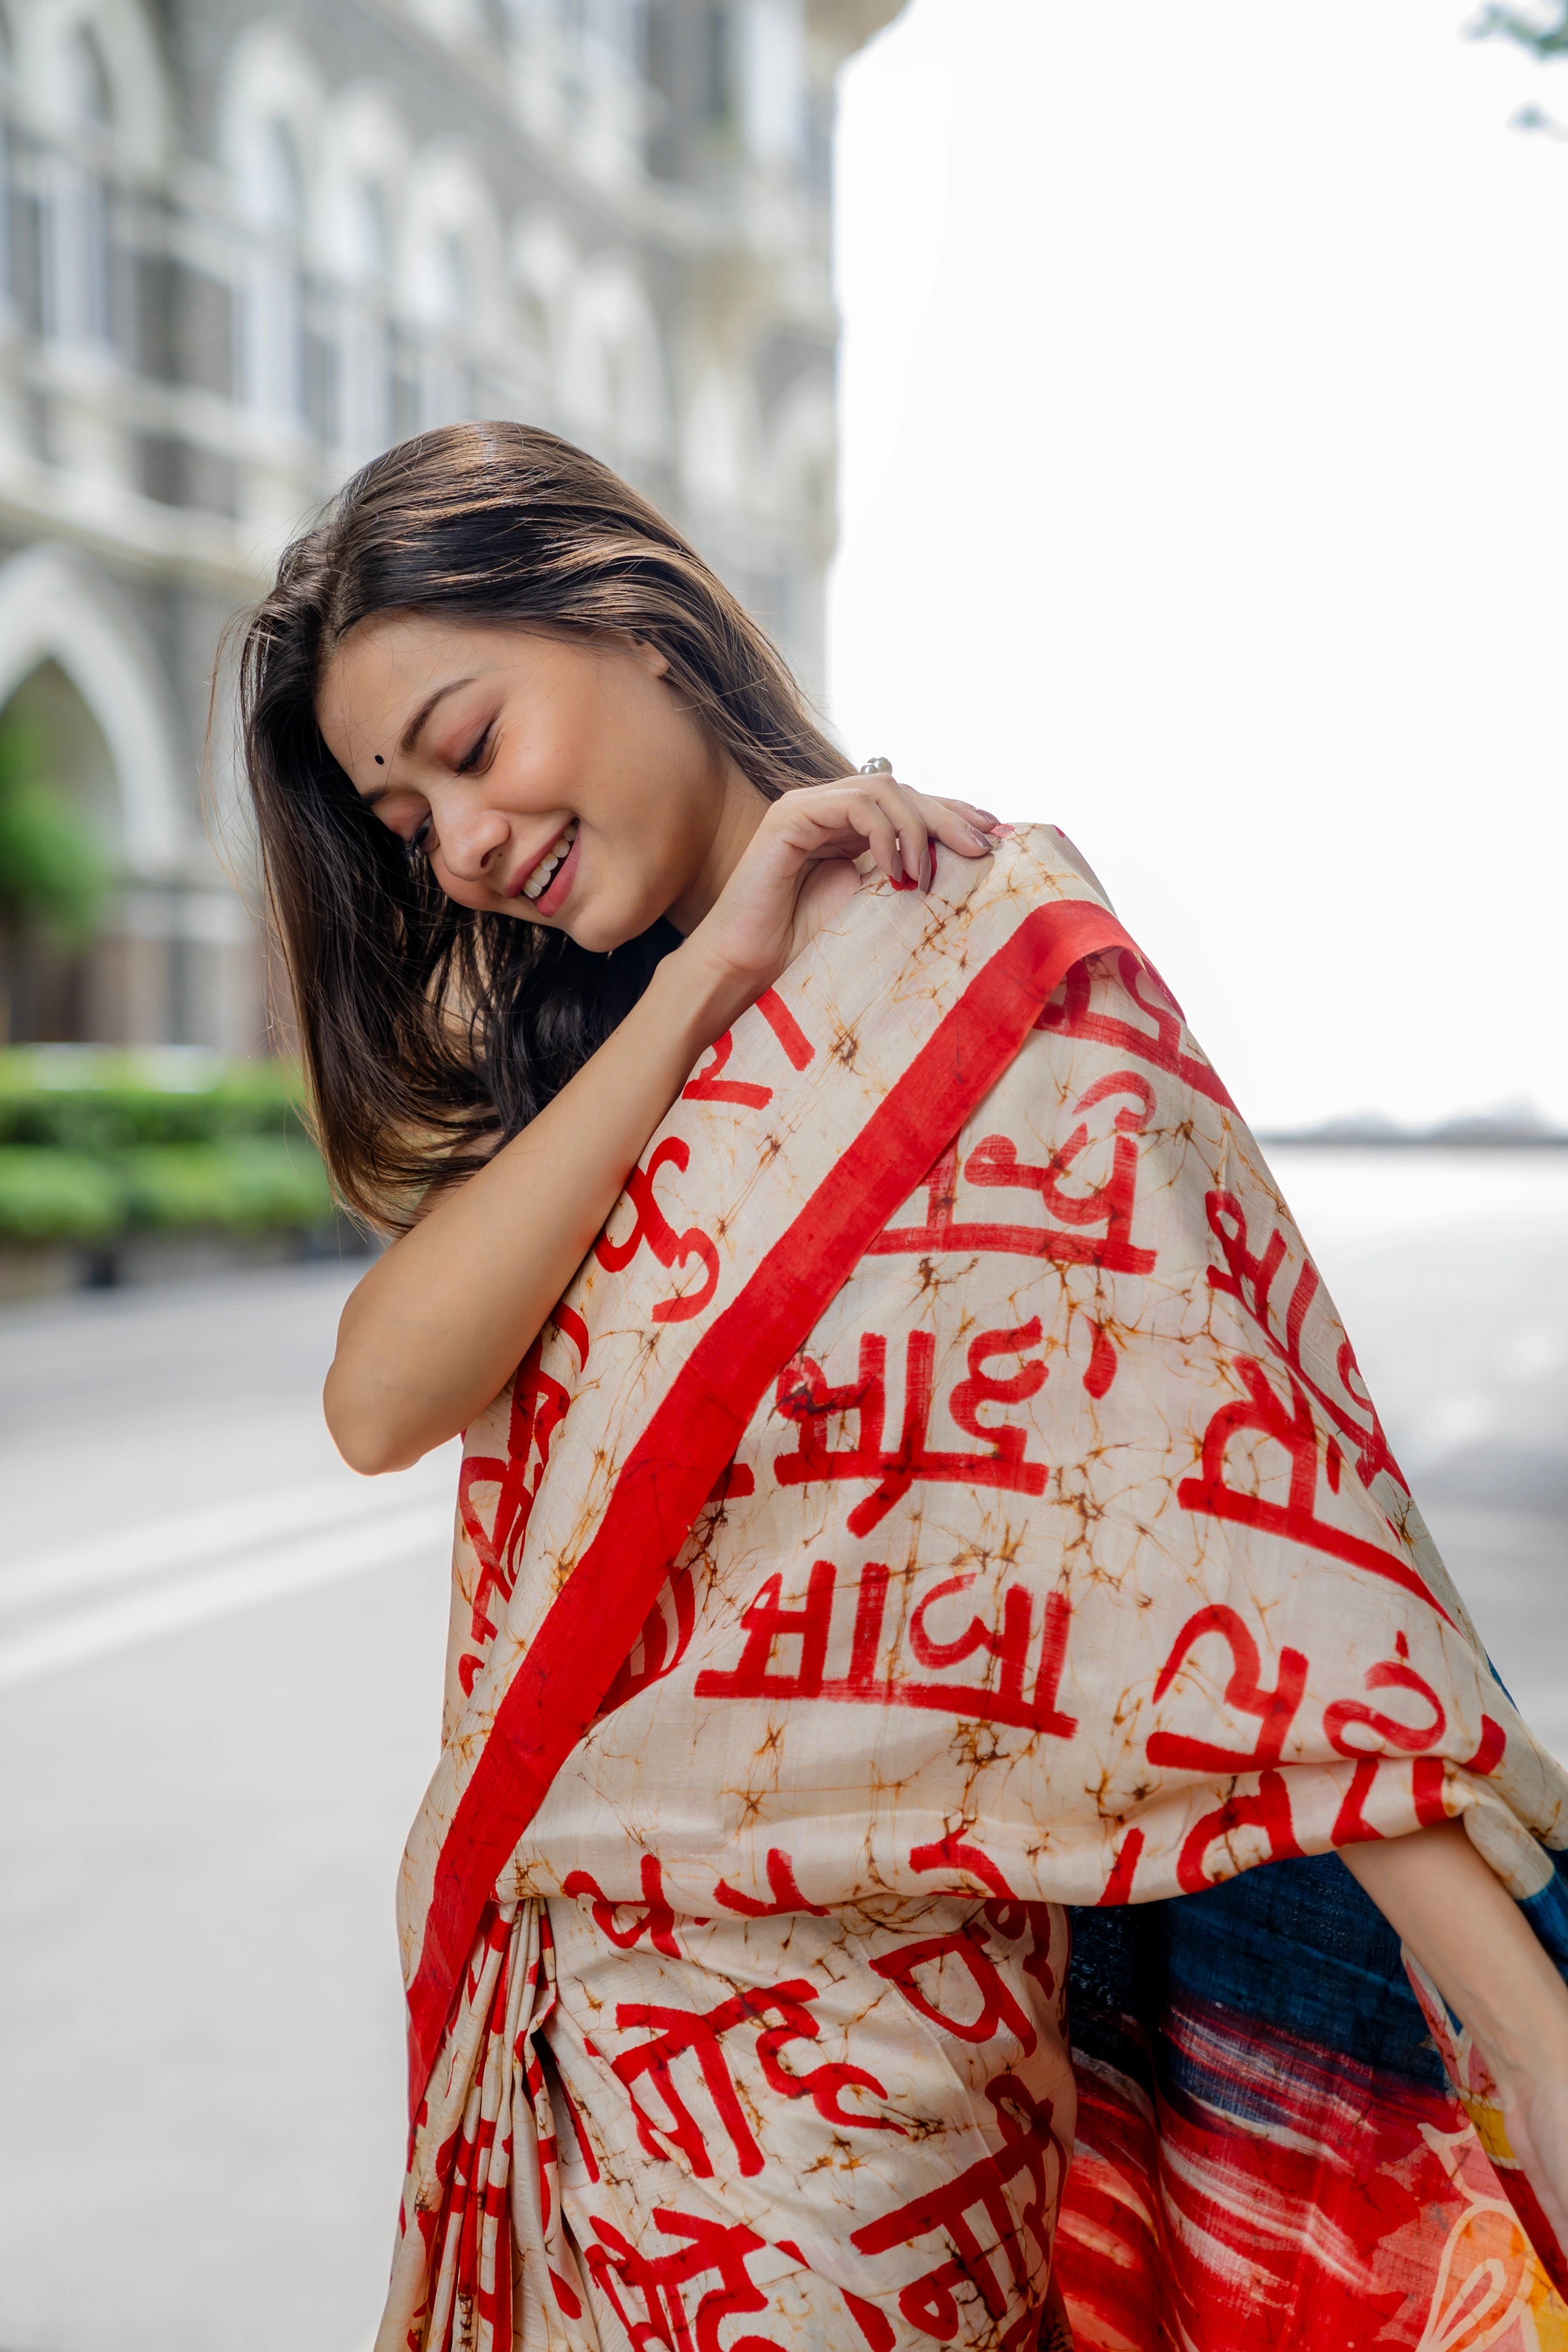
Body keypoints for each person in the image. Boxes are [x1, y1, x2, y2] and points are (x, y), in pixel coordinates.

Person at [240, 420, 1568, 2352]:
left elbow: (1241, 1520)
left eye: (465, 743)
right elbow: (378, 1397)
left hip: (877, 2086)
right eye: (401, 819)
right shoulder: (602, 1047)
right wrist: (715, 975)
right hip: (584, 2040)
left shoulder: (988, 962)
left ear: (630, 612)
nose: (454, 840)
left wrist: (1521, 2026)